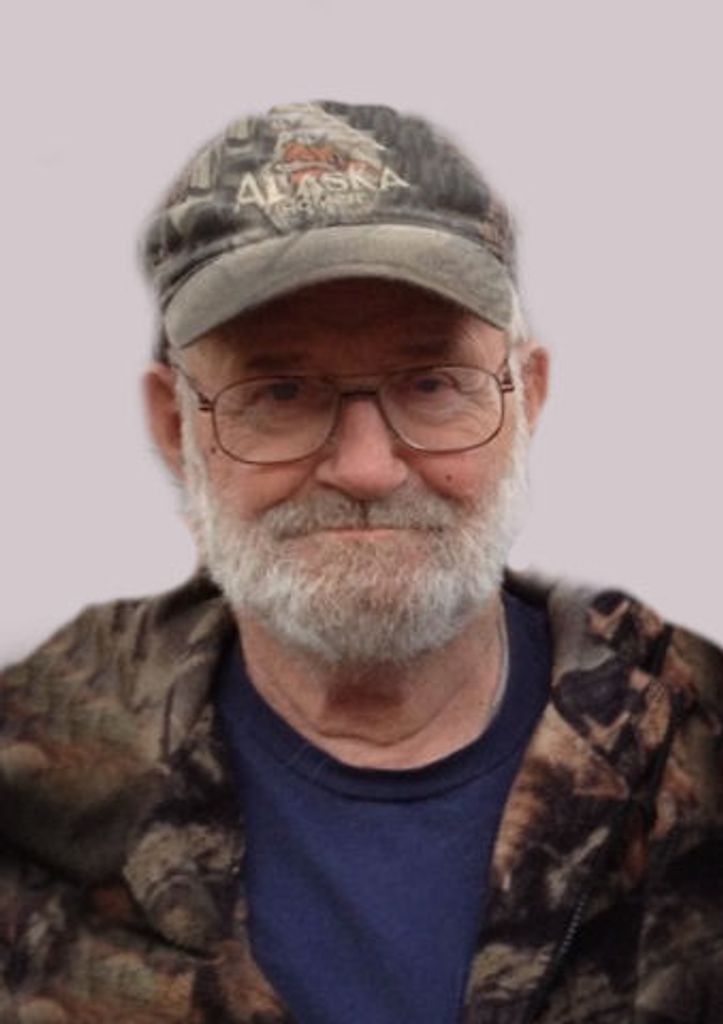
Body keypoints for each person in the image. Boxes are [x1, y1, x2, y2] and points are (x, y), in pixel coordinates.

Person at [1, 100, 721, 1024]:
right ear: (174, 427)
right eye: (279, 391)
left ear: (527, 399)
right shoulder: (35, 792)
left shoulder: (693, 755)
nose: (367, 468)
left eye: (431, 383)